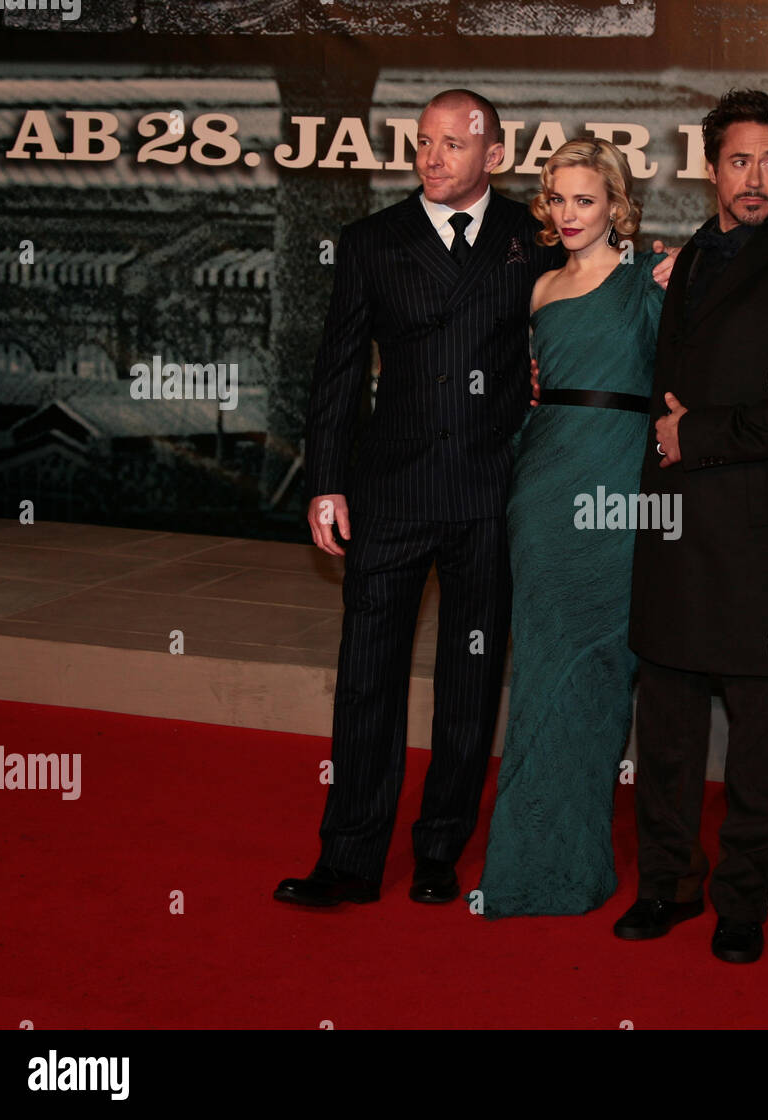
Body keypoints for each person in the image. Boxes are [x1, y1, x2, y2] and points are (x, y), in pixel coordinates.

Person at [274, 89, 569, 910]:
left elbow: (592, 306)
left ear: (494, 155)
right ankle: (349, 859)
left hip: (488, 496)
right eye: (423, 143)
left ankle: (440, 847)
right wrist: (326, 479)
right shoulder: (372, 242)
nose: (432, 158)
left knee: (468, 684)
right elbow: (336, 372)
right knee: (369, 676)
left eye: (452, 144)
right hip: (390, 493)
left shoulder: (530, 239)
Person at [615, 89, 768, 964]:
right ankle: (668, 885)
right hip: (674, 527)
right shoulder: (688, 260)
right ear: (711, 166)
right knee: (667, 727)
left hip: (759, 539)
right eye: (740, 161)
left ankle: (744, 899)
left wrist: (695, 434)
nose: (757, 180)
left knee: (758, 740)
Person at [472, 139, 666, 917]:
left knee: (600, 672)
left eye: (586, 200)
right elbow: (525, 390)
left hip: (619, 488)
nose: (570, 214)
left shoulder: (649, 280)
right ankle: (524, 866)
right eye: (558, 200)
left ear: (616, 204)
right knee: (542, 670)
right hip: (544, 488)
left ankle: (579, 864)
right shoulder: (541, 288)